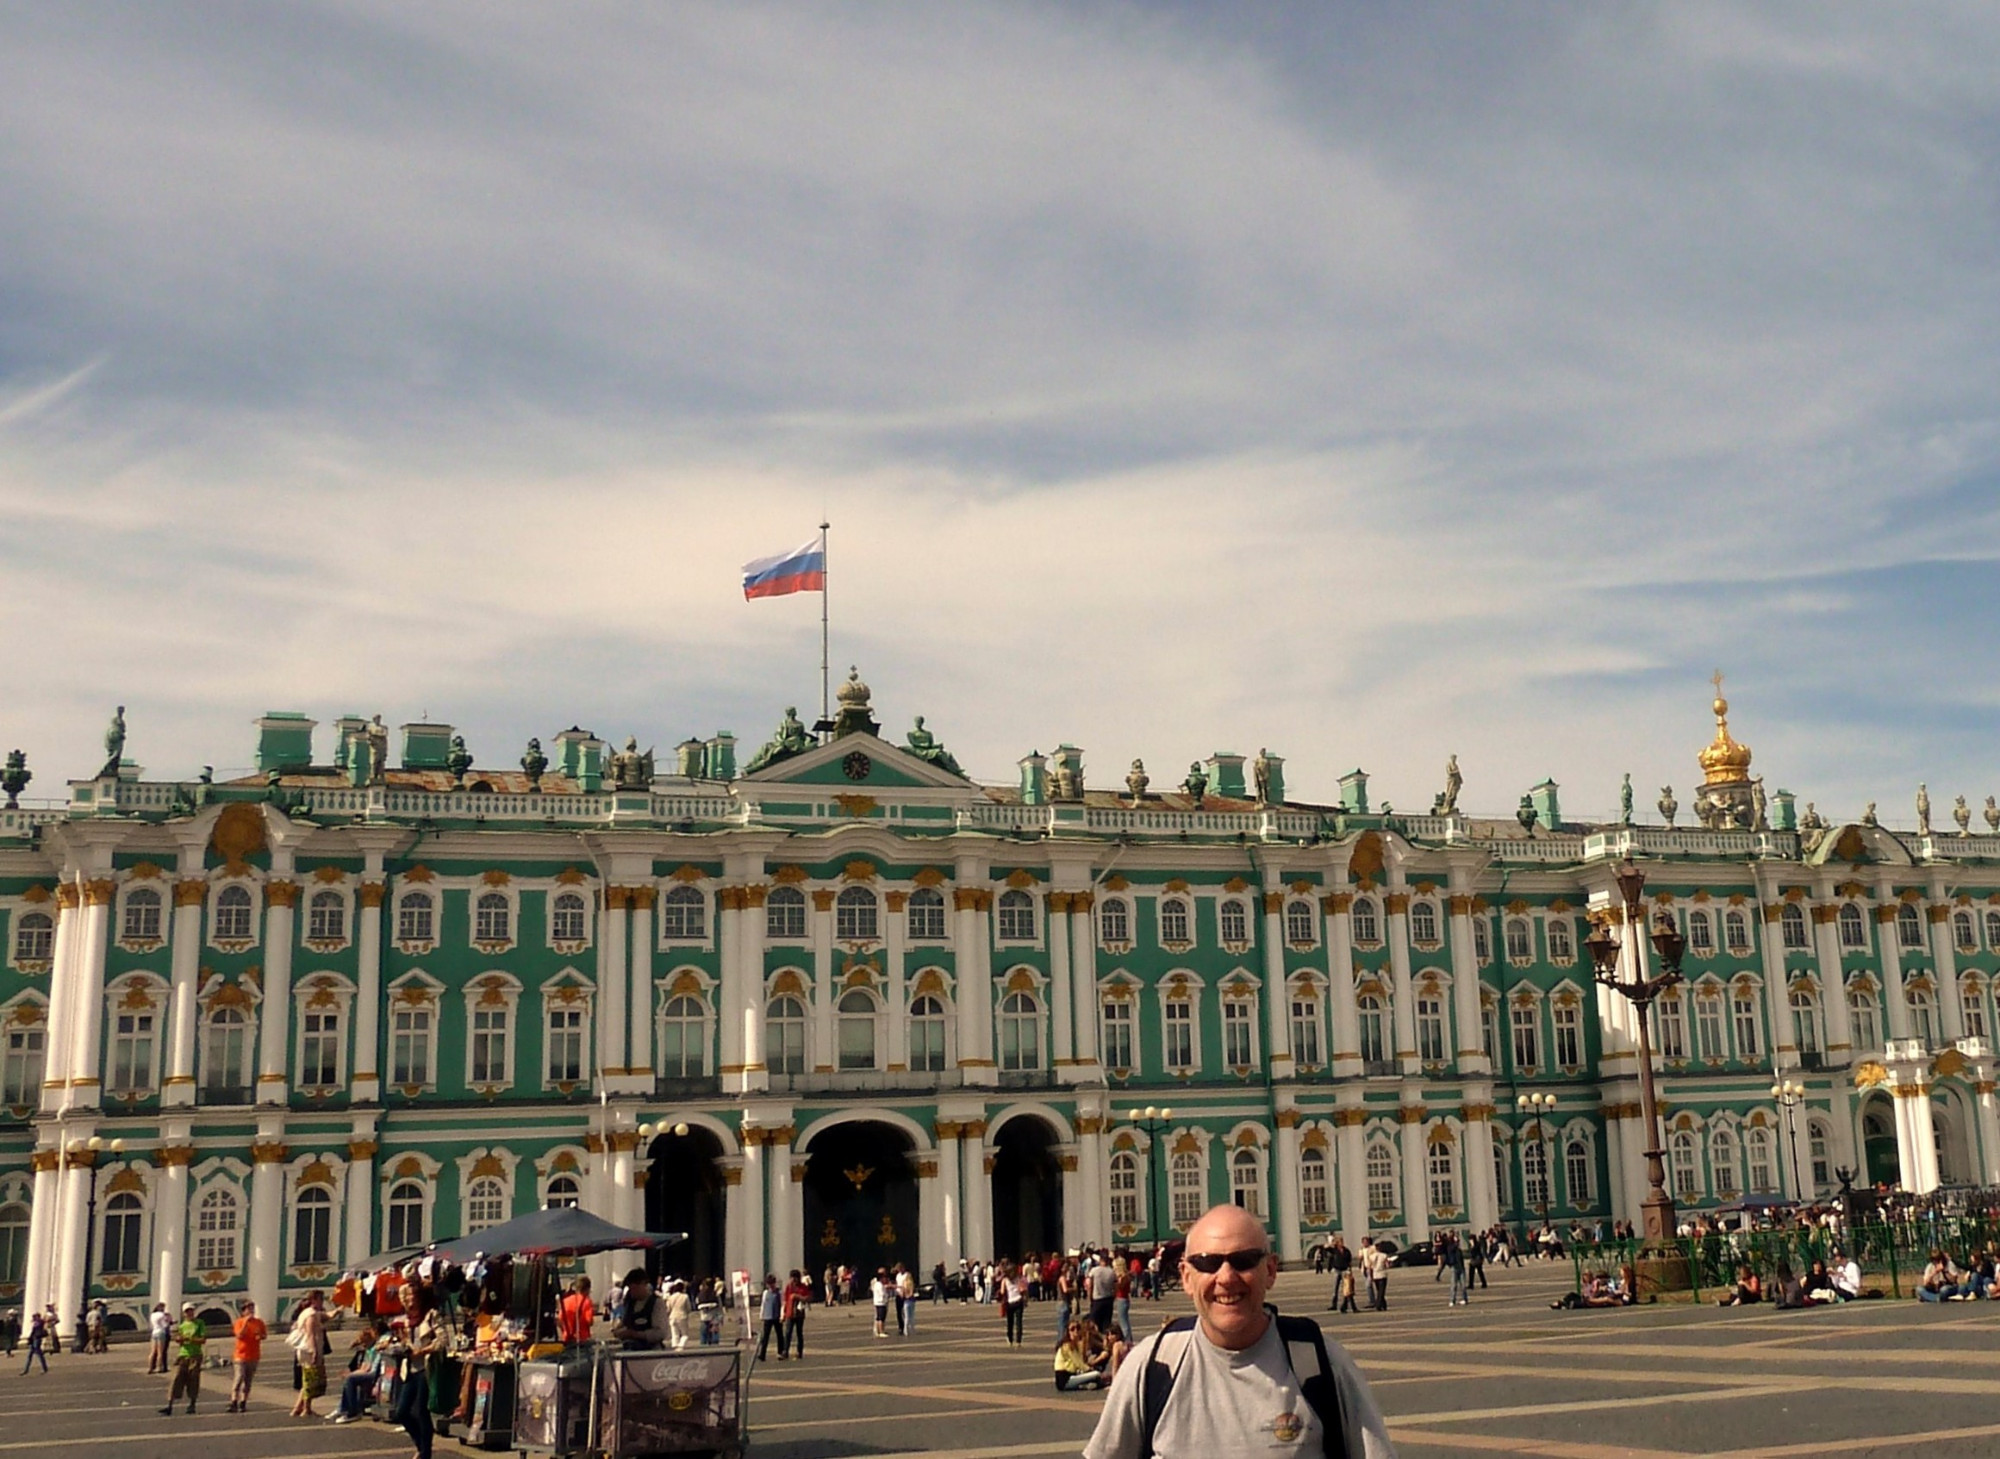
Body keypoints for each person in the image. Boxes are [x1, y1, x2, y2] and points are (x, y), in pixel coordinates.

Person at [1080, 1204, 1396, 1459]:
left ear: (1270, 1271)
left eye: (1243, 1260)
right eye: (1208, 1263)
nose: (1226, 1277)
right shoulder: (1152, 1366)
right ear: (1186, 1277)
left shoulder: (1322, 1363)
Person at [159, 1302, 207, 1415]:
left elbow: (203, 1340)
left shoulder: (199, 1323)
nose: (189, 1313)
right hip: (183, 1355)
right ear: (184, 1313)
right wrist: (179, 1340)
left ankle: (192, 1404)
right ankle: (169, 1405)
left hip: (195, 1355)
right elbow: (180, 1341)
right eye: (187, 1311)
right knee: (176, 1379)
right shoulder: (182, 1326)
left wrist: (190, 1339)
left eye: (191, 1310)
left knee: (193, 1380)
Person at [331, 1326, 384, 1424]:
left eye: (364, 1343)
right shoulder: (368, 1350)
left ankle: (351, 1411)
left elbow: (367, 1369)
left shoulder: (374, 1350)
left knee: (350, 1379)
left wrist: (351, 1374)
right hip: (371, 1372)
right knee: (349, 1379)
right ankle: (342, 1408)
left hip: (374, 1374)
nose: (363, 1346)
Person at [289, 1290, 327, 1417]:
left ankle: (297, 1408)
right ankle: (306, 1409)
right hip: (309, 1350)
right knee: (309, 1380)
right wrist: (314, 1351)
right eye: (321, 1299)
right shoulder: (310, 1315)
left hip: (305, 1350)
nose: (323, 1301)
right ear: (314, 1300)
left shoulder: (310, 1313)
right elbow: (310, 1334)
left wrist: (338, 1310)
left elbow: (328, 1316)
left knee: (307, 1380)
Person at [613, 1269, 669, 1349]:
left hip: (651, 1352)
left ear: (643, 1284)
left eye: (634, 1288)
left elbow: (661, 1333)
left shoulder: (656, 1303)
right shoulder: (630, 1304)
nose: (631, 1292)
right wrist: (618, 1332)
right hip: (630, 1350)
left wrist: (636, 1334)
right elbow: (624, 1323)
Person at [229, 1298, 268, 1412]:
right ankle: (233, 1402)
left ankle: (243, 1402)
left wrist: (260, 1335)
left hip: (254, 1355)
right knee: (239, 1378)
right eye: (248, 1309)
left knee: (248, 1381)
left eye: (252, 1308)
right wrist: (246, 1322)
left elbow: (264, 1335)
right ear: (243, 1311)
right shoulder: (239, 1322)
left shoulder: (259, 1322)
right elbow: (239, 1335)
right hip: (240, 1355)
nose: (251, 1311)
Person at [1055, 1320, 1106, 1391]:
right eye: (1072, 1329)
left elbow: (1082, 1361)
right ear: (1068, 1332)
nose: (1075, 1331)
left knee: (1094, 1377)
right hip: (1065, 1380)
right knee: (1096, 1374)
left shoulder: (1075, 1345)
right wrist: (1091, 1370)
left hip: (1073, 1375)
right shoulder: (1067, 1346)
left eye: (1078, 1328)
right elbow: (1079, 1364)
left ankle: (1086, 1385)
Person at [781, 1270, 809, 1359]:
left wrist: (797, 1296)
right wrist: (783, 1313)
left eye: (795, 1278)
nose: (793, 1280)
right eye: (792, 1278)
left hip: (799, 1314)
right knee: (788, 1332)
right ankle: (785, 1351)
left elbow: (807, 1298)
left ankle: (799, 1351)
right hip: (790, 1313)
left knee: (799, 1333)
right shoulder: (788, 1287)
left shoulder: (803, 1287)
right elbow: (785, 1301)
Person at [558, 1275, 594, 1344]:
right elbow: (589, 1322)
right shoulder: (587, 1302)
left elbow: (560, 1321)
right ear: (587, 1288)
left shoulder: (566, 1301)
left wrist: (565, 1330)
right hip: (582, 1338)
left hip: (567, 1338)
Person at [755, 1275, 784, 1360]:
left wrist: (782, 1315)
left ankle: (780, 1352)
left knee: (779, 1335)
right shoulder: (765, 1293)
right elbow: (763, 1305)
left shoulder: (779, 1293)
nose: (771, 1285)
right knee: (765, 1336)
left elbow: (782, 1304)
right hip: (767, 1317)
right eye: (769, 1284)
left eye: (772, 1283)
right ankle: (762, 1354)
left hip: (776, 1316)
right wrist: (761, 1315)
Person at [999, 1260, 1028, 1346]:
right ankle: (1018, 1340)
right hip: (1019, 1300)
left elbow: (1002, 1291)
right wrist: (1025, 1300)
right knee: (1019, 1322)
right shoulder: (1019, 1279)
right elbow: (1024, 1290)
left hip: (1009, 1302)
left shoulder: (1005, 1280)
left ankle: (1010, 1339)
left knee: (1010, 1322)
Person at [1088, 1254, 1119, 1333]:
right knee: (1106, 1323)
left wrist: (1089, 1297)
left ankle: (1096, 1339)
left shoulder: (1094, 1270)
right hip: (1108, 1299)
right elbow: (1115, 1286)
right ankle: (1106, 1339)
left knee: (1094, 1322)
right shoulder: (1111, 1271)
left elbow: (1090, 1285)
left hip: (1097, 1299)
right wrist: (1114, 1296)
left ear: (1100, 1261)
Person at [665, 1278, 694, 1350]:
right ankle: (681, 1345)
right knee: (685, 1334)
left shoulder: (670, 1297)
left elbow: (668, 1308)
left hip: (672, 1317)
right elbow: (689, 1308)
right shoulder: (685, 1296)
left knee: (674, 1334)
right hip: (682, 1316)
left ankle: (675, 1345)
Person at [1442, 1232, 1468, 1307]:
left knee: (1463, 1285)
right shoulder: (1450, 1246)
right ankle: (1452, 1300)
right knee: (1454, 1285)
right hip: (1454, 1267)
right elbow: (1451, 1250)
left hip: (1461, 1267)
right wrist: (1456, 1242)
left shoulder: (1458, 1248)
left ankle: (1464, 1299)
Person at [20, 1309, 48, 1375]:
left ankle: (44, 1368)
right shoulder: (36, 1323)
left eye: (34, 1317)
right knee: (31, 1355)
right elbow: (33, 1333)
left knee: (39, 1355)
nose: (33, 1318)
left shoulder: (40, 1323)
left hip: (37, 1340)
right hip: (33, 1340)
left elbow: (38, 1330)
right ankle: (26, 1370)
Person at [147, 1302, 172, 1374]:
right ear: (161, 1308)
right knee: (160, 1352)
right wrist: (170, 1322)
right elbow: (165, 1325)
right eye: (163, 1307)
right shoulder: (162, 1315)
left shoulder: (152, 1315)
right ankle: (159, 1367)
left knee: (152, 1352)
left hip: (154, 1332)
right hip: (161, 1332)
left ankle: (150, 1368)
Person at [897, 1263, 918, 1337]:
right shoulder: (910, 1283)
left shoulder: (904, 1283)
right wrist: (910, 1295)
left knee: (906, 1316)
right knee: (911, 1316)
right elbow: (912, 1291)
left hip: (906, 1300)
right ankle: (911, 1329)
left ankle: (906, 1330)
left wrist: (903, 1295)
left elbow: (904, 1291)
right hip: (911, 1300)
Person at [871, 1269, 890, 1338]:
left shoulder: (876, 1284)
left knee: (879, 1318)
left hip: (877, 1302)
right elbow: (882, 1294)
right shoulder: (880, 1285)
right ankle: (881, 1331)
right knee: (881, 1318)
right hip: (881, 1302)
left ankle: (879, 1331)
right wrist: (886, 1295)